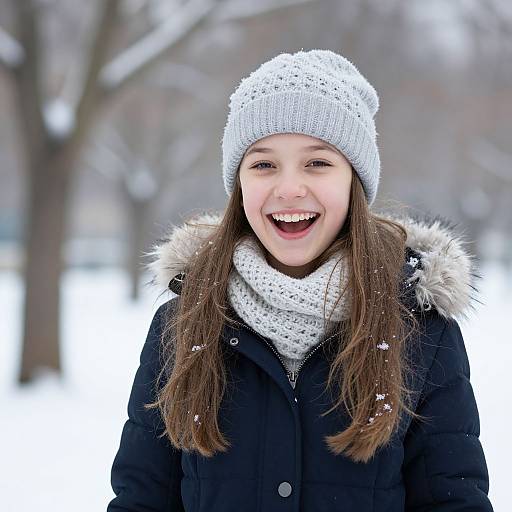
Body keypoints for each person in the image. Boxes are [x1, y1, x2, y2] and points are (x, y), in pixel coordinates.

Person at [107, 49, 494, 511]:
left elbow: (453, 501)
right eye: (264, 164)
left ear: (354, 179)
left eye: (317, 163)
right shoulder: (183, 322)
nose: (289, 188)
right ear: (240, 185)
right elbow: (141, 499)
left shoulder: (422, 332)